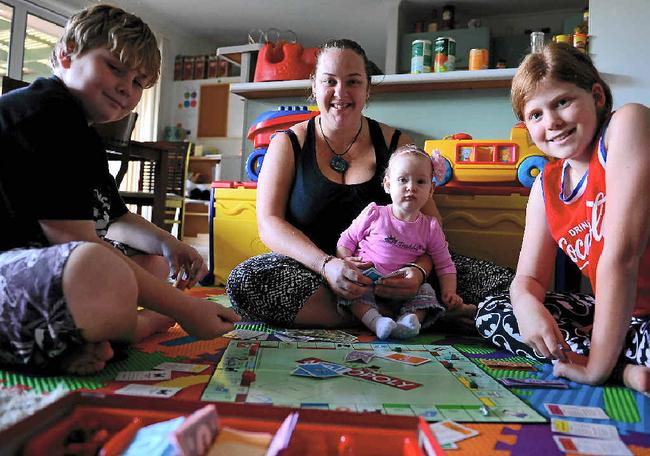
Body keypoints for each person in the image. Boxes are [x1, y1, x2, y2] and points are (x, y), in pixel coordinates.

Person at [0, 4, 240, 375]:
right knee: (98, 266)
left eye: (139, 83)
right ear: (66, 56)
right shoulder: (44, 111)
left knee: (153, 262)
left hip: (33, 269)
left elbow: (114, 218)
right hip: (13, 269)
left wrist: (169, 243)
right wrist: (182, 310)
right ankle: (139, 327)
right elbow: (74, 241)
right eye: (114, 67)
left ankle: (77, 340)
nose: (126, 88)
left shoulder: (84, 134)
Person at [227, 38, 510, 329]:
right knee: (246, 280)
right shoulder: (287, 143)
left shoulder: (398, 143)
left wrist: (418, 272)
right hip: (315, 273)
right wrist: (328, 266)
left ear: (367, 88)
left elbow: (430, 222)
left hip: (399, 274)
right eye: (329, 81)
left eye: (353, 82)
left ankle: (400, 307)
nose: (341, 92)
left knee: (507, 286)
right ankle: (403, 314)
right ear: (314, 86)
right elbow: (269, 223)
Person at [475, 42, 650, 394]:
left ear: (597, 96)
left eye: (562, 102)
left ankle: (608, 364)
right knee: (493, 312)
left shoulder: (628, 125)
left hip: (633, 324)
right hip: (621, 320)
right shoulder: (546, 186)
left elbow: (622, 258)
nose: (551, 122)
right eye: (535, 115)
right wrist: (526, 304)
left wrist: (597, 370)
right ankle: (627, 370)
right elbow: (526, 278)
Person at [336, 145, 468, 339]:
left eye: (420, 181)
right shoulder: (374, 213)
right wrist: (346, 261)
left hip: (405, 290)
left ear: (431, 190)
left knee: (427, 291)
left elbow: (445, 265)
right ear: (388, 184)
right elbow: (345, 240)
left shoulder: (430, 227)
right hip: (367, 281)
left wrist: (450, 293)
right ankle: (377, 323)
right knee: (351, 292)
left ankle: (409, 321)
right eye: (403, 180)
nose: (411, 187)